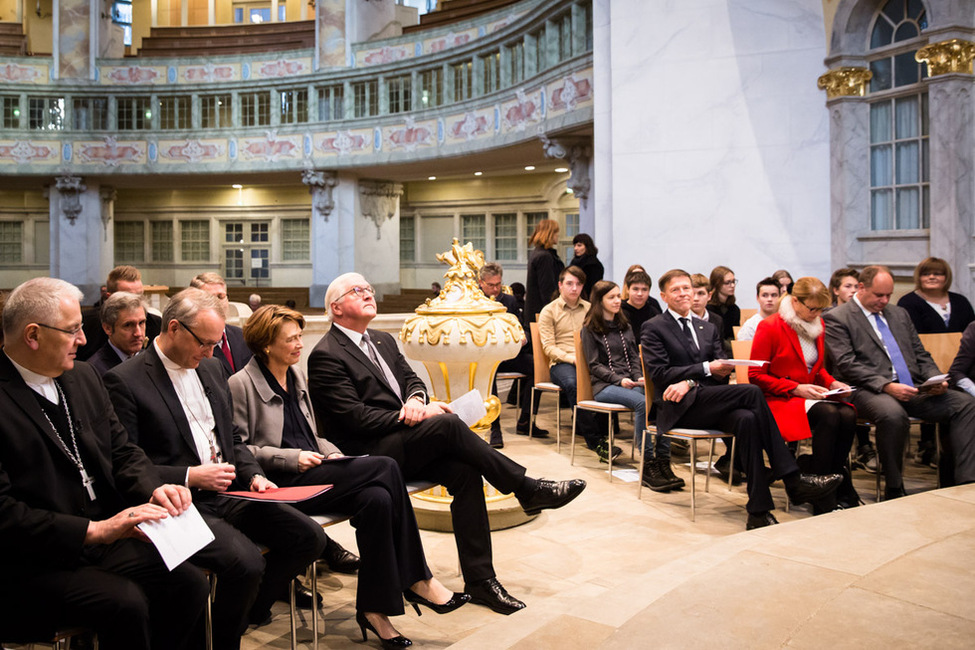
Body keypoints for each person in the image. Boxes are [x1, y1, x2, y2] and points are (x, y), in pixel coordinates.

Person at [307, 272, 586, 616]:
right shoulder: (326, 354)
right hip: (370, 454)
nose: (368, 294)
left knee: (465, 471)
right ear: (336, 308)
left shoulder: (381, 339)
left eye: (369, 288)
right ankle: (526, 488)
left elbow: (412, 380)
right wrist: (410, 415)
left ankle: (481, 580)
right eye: (357, 291)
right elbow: (354, 418)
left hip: (404, 441)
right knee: (448, 425)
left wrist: (417, 400)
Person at [228, 305, 469, 648]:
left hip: (316, 468)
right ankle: (417, 578)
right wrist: (292, 457)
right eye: (292, 339)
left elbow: (311, 434)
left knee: (378, 499)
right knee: (385, 466)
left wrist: (329, 451)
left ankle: (374, 611)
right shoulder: (240, 384)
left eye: (300, 336)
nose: (300, 344)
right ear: (267, 345)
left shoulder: (294, 375)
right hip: (282, 481)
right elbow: (240, 449)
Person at [104, 288, 327, 648]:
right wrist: (190, 475)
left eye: (215, 343)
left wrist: (254, 474)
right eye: (204, 343)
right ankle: (223, 640)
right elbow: (126, 461)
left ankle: (245, 615)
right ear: (173, 328)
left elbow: (232, 439)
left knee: (309, 538)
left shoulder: (210, 367)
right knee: (247, 563)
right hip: (175, 503)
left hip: (227, 492)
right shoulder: (125, 380)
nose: (211, 352)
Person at [0, 277, 207, 650]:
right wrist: (94, 530)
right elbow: (4, 515)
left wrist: (154, 487)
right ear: (33, 335)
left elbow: (123, 450)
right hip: (32, 559)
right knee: (125, 602)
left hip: (101, 541)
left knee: (190, 583)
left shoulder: (82, 377)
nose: (83, 340)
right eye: (73, 330)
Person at [641, 269, 843, 530]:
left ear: (694, 292)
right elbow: (659, 374)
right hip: (677, 407)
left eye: (687, 288)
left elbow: (722, 373)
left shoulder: (708, 326)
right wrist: (703, 371)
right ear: (664, 296)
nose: (683, 293)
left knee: (747, 419)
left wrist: (692, 380)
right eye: (676, 289)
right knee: (751, 391)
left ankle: (758, 511)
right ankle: (793, 480)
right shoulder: (654, 326)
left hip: (709, 401)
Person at [824, 265, 975, 498]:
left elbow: (920, 354)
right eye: (879, 295)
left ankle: (965, 480)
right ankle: (894, 487)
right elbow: (846, 364)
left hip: (912, 386)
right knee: (893, 414)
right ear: (861, 288)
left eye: (888, 295)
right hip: (867, 389)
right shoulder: (837, 317)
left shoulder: (899, 314)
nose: (884, 300)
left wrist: (936, 379)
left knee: (965, 404)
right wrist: (886, 386)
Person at [749, 277, 860, 511]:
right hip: (779, 399)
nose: (816, 313)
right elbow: (756, 376)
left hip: (808, 397)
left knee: (848, 414)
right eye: (812, 308)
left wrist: (833, 383)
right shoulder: (770, 326)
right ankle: (821, 492)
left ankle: (831, 479)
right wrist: (795, 388)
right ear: (795, 301)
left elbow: (816, 369)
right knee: (829, 414)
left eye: (821, 309)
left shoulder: (817, 325)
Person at [583, 281, 682, 491]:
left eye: (619, 296)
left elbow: (635, 358)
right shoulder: (589, 329)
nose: (618, 301)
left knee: (661, 397)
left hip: (629, 381)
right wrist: (618, 380)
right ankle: (647, 462)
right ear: (599, 301)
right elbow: (594, 365)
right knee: (640, 402)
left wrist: (639, 377)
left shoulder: (624, 326)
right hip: (604, 386)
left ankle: (663, 459)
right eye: (612, 297)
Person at [897, 257, 975, 467]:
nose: (932, 277)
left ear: (946, 277)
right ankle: (928, 445)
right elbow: (911, 342)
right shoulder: (908, 303)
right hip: (924, 367)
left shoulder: (960, 301)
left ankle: (954, 454)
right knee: (935, 390)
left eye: (937, 273)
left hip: (959, 367)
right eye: (926, 273)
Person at [538, 266, 617, 461]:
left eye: (578, 284)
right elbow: (548, 347)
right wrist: (571, 358)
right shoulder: (549, 311)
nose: (574, 288)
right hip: (561, 362)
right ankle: (595, 442)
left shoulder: (590, 309)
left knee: (607, 381)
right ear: (560, 285)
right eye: (569, 284)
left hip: (589, 361)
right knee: (574, 384)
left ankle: (603, 432)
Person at [478, 262, 547, 448]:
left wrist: (524, 337)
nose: (495, 289)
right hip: (485, 357)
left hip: (508, 354)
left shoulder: (509, 300)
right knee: (488, 373)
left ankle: (525, 420)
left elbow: (521, 326)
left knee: (538, 367)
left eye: (498, 284)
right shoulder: (473, 301)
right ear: (481, 282)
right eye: (491, 285)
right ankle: (494, 427)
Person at [826, 267, 877, 473]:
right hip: (835, 375)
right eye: (848, 286)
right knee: (851, 390)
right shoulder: (828, 316)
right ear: (836, 290)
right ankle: (863, 447)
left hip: (861, 374)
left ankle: (864, 447)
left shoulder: (868, 318)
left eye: (857, 286)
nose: (853, 290)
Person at [77, 265, 162, 361]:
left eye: (139, 296)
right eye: (127, 297)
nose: (138, 333)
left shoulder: (156, 323)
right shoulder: (87, 324)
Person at [190, 272, 252, 376]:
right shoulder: (191, 343)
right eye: (209, 297)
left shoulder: (242, 336)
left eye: (220, 296)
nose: (216, 303)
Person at [87, 291, 148, 376]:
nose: (138, 333)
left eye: (141, 323)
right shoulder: (95, 371)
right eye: (128, 325)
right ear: (108, 328)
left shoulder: (151, 360)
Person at [524, 218, 564, 325]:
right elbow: (547, 289)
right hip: (542, 313)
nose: (558, 235)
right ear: (550, 234)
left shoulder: (538, 253)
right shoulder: (544, 256)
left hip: (536, 311)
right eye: (556, 232)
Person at [620, 269, 662, 336]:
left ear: (649, 291)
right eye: (635, 289)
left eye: (644, 289)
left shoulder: (654, 313)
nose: (640, 294)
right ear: (628, 289)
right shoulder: (619, 312)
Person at [736, 277, 780, 341]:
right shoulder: (750, 326)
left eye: (774, 295)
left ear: (780, 298)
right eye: (765, 295)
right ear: (757, 298)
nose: (769, 299)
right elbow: (743, 350)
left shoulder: (787, 323)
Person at [707, 265, 740, 344]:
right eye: (728, 282)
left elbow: (734, 335)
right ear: (717, 284)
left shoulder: (734, 309)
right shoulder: (708, 309)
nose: (732, 286)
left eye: (733, 281)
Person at [568, 233, 604, 300]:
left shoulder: (593, 264)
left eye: (579, 245)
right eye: (575, 245)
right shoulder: (575, 262)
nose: (576, 248)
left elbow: (594, 288)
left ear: (587, 247)